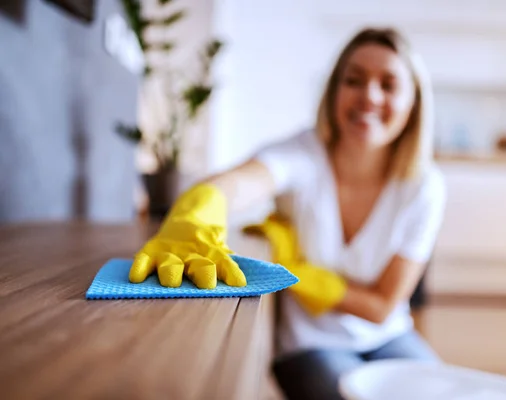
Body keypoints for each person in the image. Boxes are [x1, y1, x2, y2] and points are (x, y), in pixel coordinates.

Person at [128, 27, 446, 400]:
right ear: (333, 92)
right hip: (310, 346)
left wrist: (297, 272)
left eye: (389, 85)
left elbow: (381, 307)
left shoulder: (424, 187)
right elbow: (238, 182)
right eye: (353, 80)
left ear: (414, 104)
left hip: (389, 336)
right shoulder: (303, 154)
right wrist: (196, 212)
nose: (369, 97)